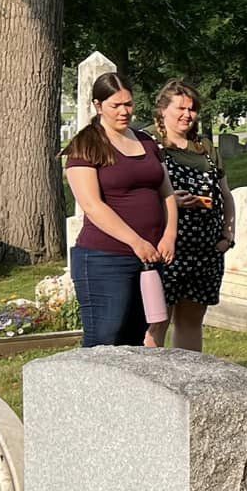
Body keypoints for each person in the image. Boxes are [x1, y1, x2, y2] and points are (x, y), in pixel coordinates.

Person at [64, 72, 176, 348]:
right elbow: (92, 205)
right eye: (116, 105)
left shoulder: (146, 142)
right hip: (104, 258)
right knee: (105, 337)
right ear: (98, 105)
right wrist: (136, 242)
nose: (124, 111)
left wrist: (169, 234)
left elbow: (167, 192)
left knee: (136, 337)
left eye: (128, 104)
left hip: (150, 258)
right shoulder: (85, 146)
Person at [147, 80, 236, 352]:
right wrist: (171, 201)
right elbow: (140, 193)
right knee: (158, 320)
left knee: (192, 320)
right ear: (162, 110)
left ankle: (189, 378)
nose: (187, 114)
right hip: (167, 249)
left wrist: (227, 236)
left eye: (192, 109)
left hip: (205, 251)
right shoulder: (148, 144)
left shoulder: (205, 149)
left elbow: (225, 194)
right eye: (180, 108)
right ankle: (151, 381)